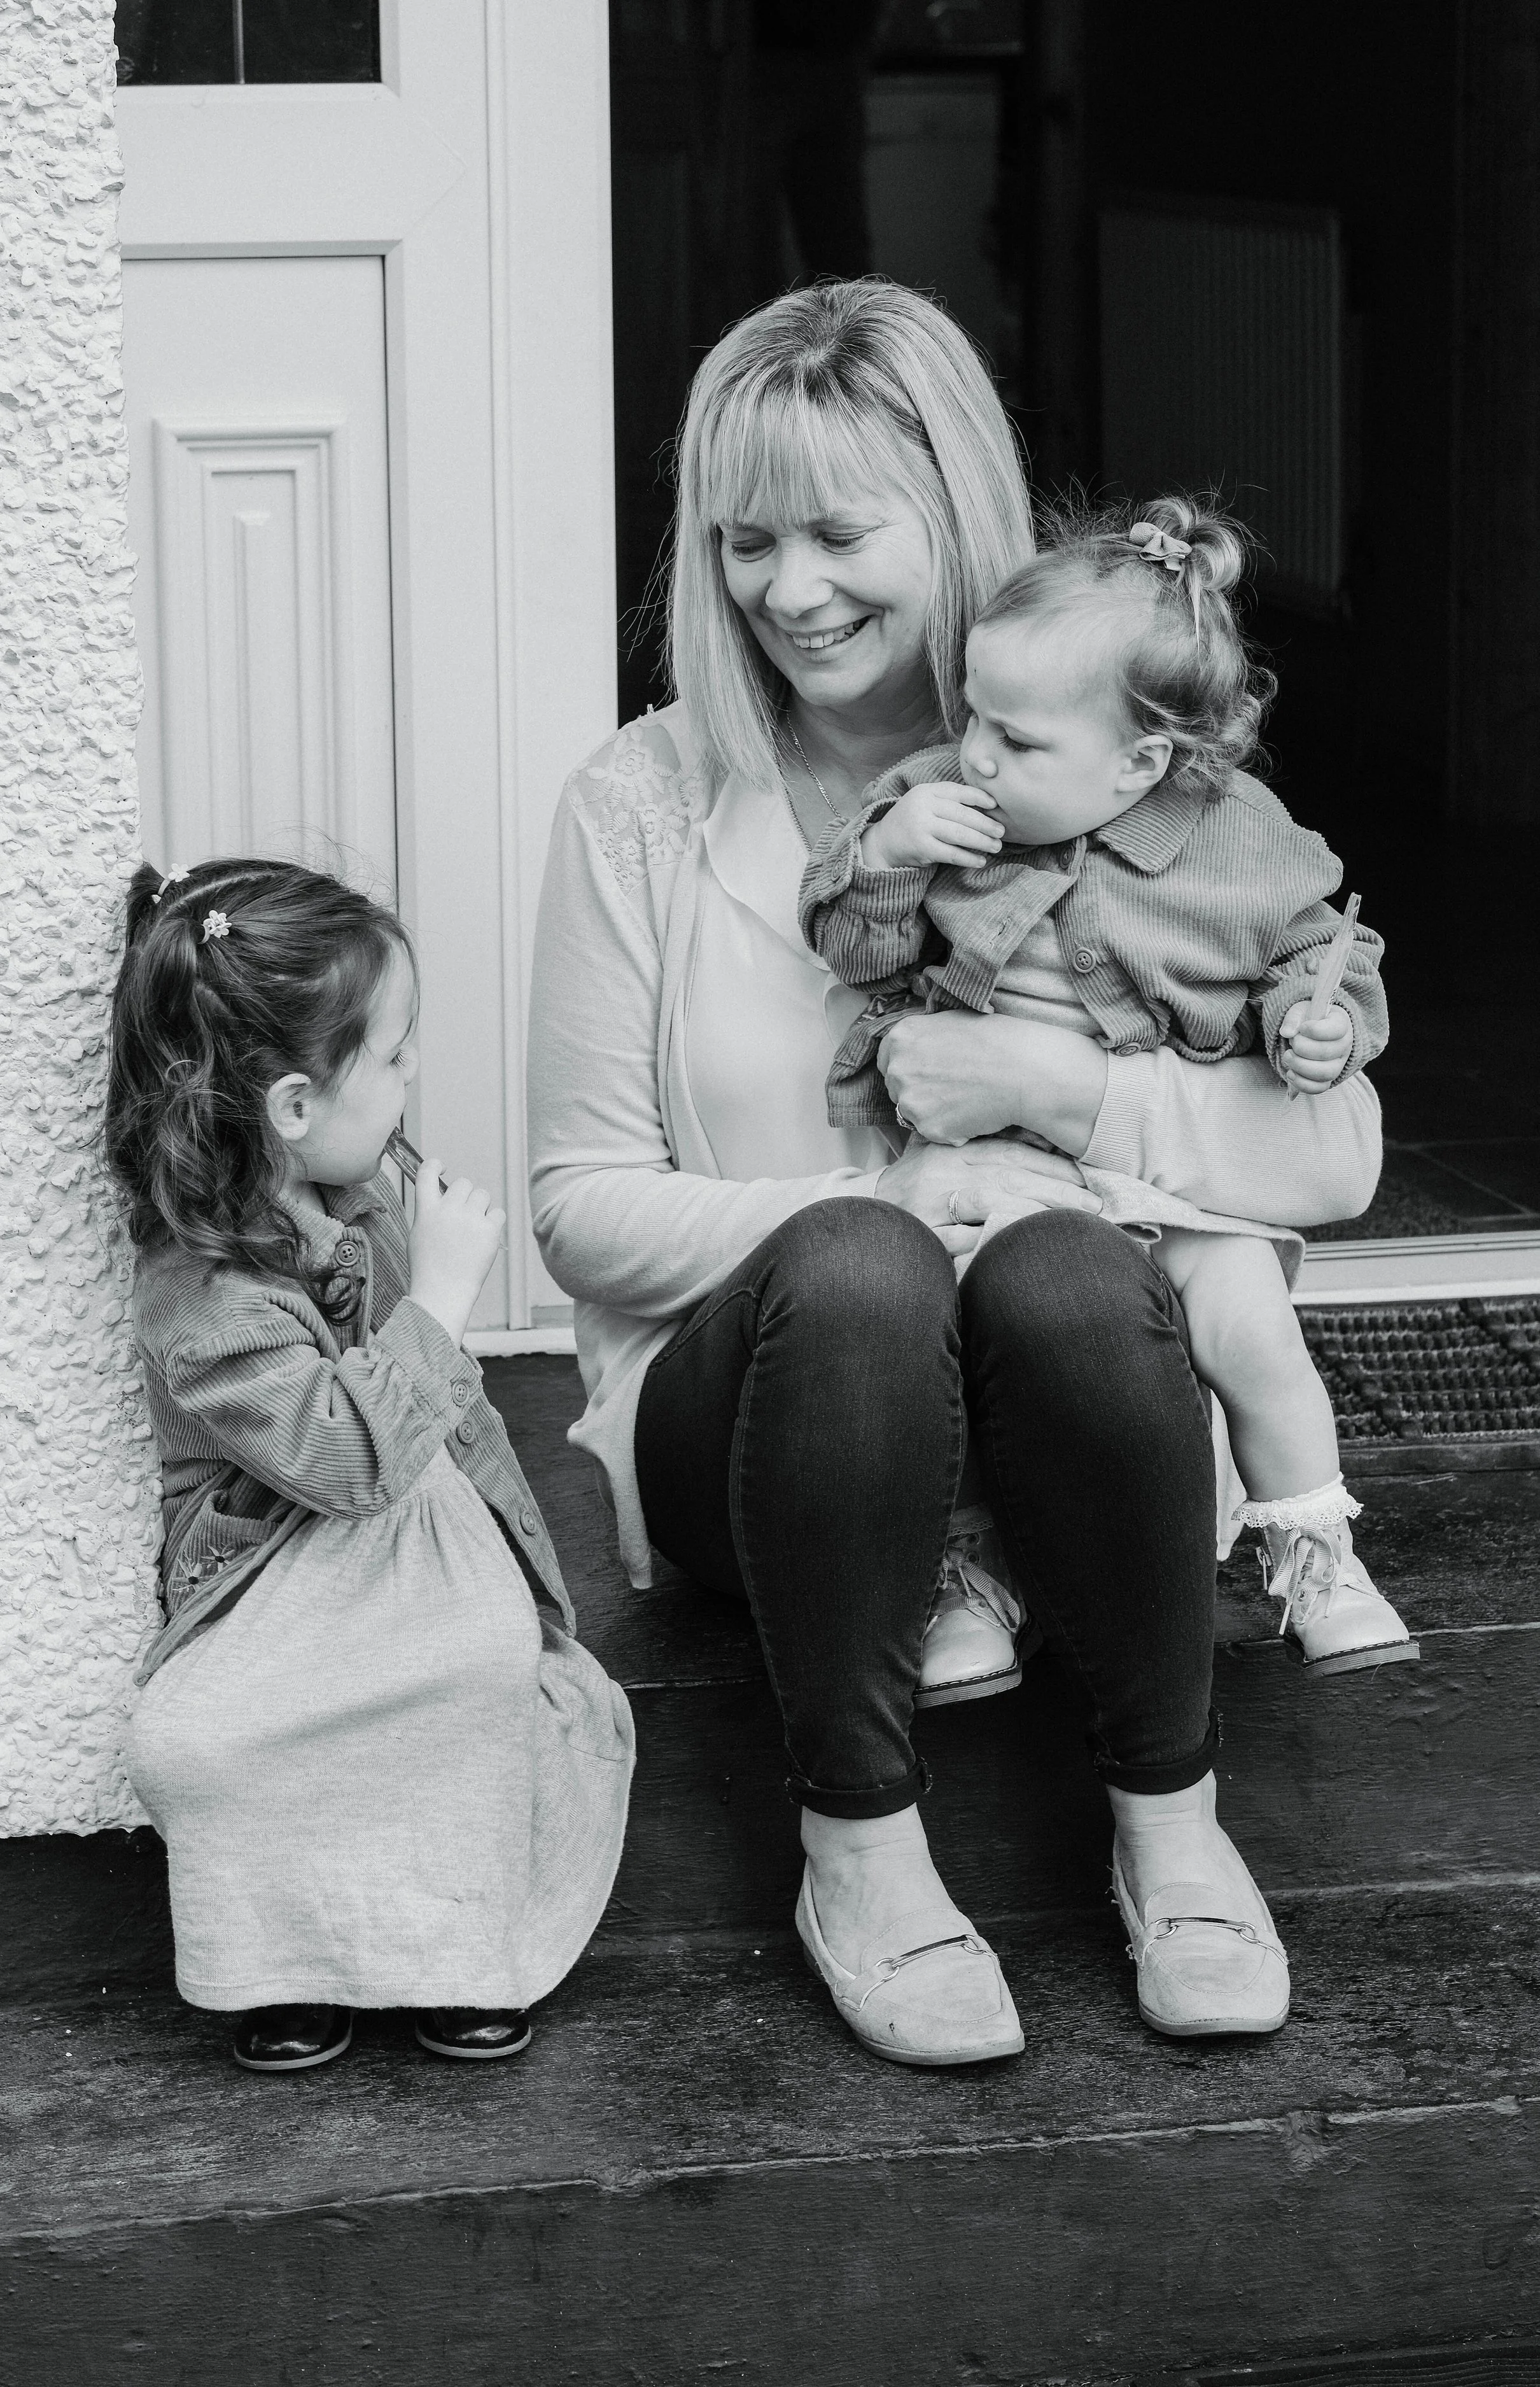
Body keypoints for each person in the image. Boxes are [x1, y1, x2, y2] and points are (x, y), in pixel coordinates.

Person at [528, 282, 1383, 2061]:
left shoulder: (1128, 785)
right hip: (752, 1429)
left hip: (1054, 1424)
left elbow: (1340, 1156)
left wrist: (1063, 1090)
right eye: (744, 538)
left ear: (953, 512)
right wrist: (878, 1208)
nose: (789, 587)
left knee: (1071, 1272)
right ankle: (857, 1841)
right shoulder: (644, 800)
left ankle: (1171, 1815)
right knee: (860, 1267)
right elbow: (579, 1206)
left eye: (841, 531)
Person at [799, 494, 1417, 1680]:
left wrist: (1313, 1024)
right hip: (1010, 1172)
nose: (975, 753)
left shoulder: (1243, 842)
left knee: (1253, 1328)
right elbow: (852, 943)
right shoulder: (943, 804)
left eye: (1018, 741)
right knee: (968, 1350)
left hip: (1172, 1181)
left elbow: (1320, 954)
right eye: (973, 714)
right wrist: (885, 851)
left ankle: (1318, 1551)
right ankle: (971, 1575)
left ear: (1141, 762)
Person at [107, 857, 633, 2074]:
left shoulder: (368, 1197)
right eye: (394, 1058)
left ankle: (459, 1952)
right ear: (293, 1106)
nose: (412, 1081)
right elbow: (339, 1459)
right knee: (210, 1736)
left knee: (476, 1664)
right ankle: (286, 1964)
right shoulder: (198, 1293)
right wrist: (442, 1296)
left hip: (418, 1546)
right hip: (280, 1572)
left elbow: (431, 1455)